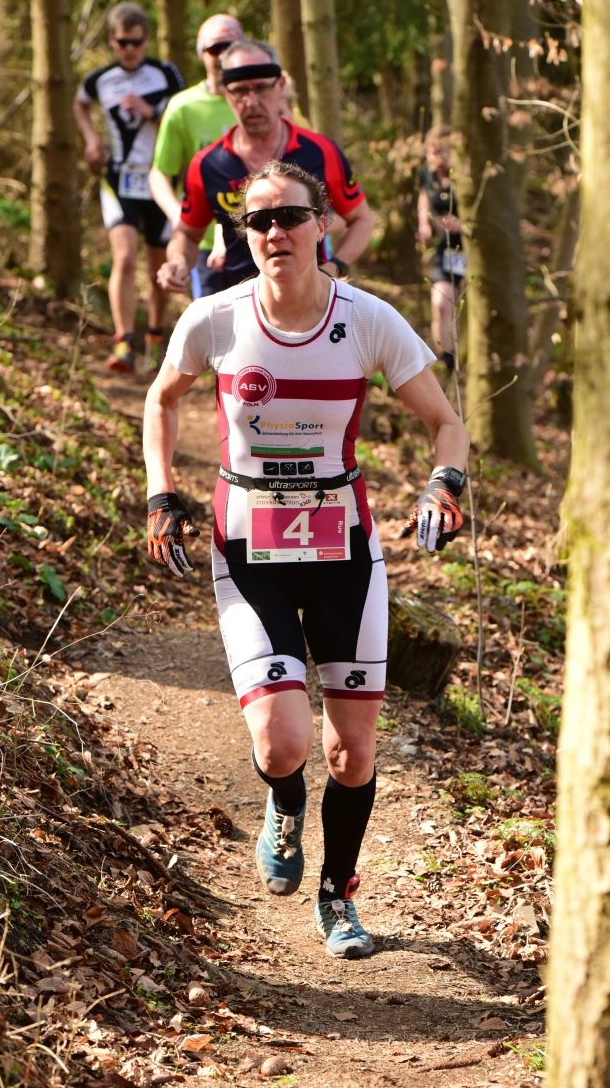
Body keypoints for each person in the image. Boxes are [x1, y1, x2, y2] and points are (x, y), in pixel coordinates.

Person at [143, 161, 469, 959]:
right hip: (247, 545)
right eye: (257, 221)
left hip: (343, 547)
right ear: (243, 235)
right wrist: (160, 493)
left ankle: (338, 897)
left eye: (290, 216)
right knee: (281, 744)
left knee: (351, 753)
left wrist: (444, 483)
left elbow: (445, 422)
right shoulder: (215, 318)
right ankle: (284, 804)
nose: (274, 232)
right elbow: (161, 398)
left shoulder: (367, 319)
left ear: (322, 225)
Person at [156, 39, 375, 296]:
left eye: (261, 88)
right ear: (226, 94)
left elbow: (362, 219)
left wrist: (334, 267)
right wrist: (178, 262)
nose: (251, 102)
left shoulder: (319, 151)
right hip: (238, 303)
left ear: (280, 86)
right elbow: (187, 235)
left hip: (310, 302)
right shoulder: (208, 164)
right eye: (239, 91)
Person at [73, 2, 184, 374]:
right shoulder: (100, 79)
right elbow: (80, 103)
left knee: (158, 265)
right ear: (112, 40)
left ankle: (155, 335)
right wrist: (91, 140)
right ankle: (123, 341)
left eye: (136, 42)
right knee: (124, 258)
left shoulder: (165, 73)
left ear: (146, 40)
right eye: (123, 42)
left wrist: (152, 112)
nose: (130, 49)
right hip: (119, 178)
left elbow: (182, 113)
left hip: (160, 179)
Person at [149, 13, 244, 298]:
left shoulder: (259, 100)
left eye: (229, 46)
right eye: (214, 48)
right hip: (203, 241)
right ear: (201, 53)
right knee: (214, 322)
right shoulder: (183, 107)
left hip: (259, 237)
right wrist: (177, 215)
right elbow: (160, 173)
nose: (221, 55)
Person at [416, 126, 466, 373]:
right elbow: (424, 196)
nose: (435, 158)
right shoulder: (427, 174)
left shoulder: (465, 175)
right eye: (431, 152)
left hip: (471, 248)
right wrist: (424, 223)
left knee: (464, 307)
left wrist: (464, 225)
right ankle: (446, 359)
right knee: (441, 303)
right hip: (445, 249)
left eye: (441, 152)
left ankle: (466, 357)